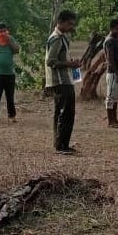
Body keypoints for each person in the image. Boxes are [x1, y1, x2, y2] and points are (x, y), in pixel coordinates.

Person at [45, 10, 81, 155]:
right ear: (60, 22)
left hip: (65, 79)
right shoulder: (57, 38)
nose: (71, 27)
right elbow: (51, 61)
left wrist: (71, 63)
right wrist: (69, 64)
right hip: (61, 81)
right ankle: (61, 146)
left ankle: (61, 143)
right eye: (69, 24)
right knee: (66, 113)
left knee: (62, 113)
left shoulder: (62, 37)